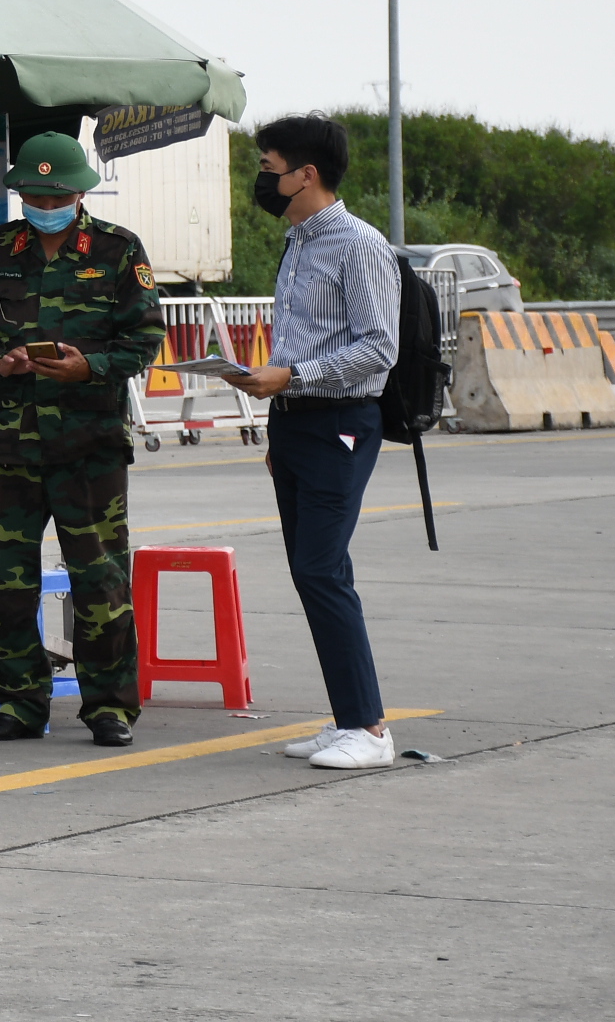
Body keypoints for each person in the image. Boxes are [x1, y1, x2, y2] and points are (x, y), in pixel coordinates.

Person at [0, 131, 162, 747]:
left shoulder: (119, 251)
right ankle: (18, 706)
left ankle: (109, 709)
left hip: (88, 447)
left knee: (101, 584)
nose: (44, 202)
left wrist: (86, 367)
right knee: (8, 584)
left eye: (55, 192)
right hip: (12, 447)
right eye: (33, 193)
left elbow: (145, 337)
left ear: (78, 192)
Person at [229, 113, 401, 771]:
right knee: (316, 572)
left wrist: (295, 375)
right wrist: (275, 389)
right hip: (295, 421)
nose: (263, 182)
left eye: (270, 170)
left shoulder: (358, 245)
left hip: (342, 423)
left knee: (321, 570)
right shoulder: (298, 241)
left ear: (307, 174)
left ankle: (371, 730)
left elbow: (378, 347)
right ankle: (349, 717)